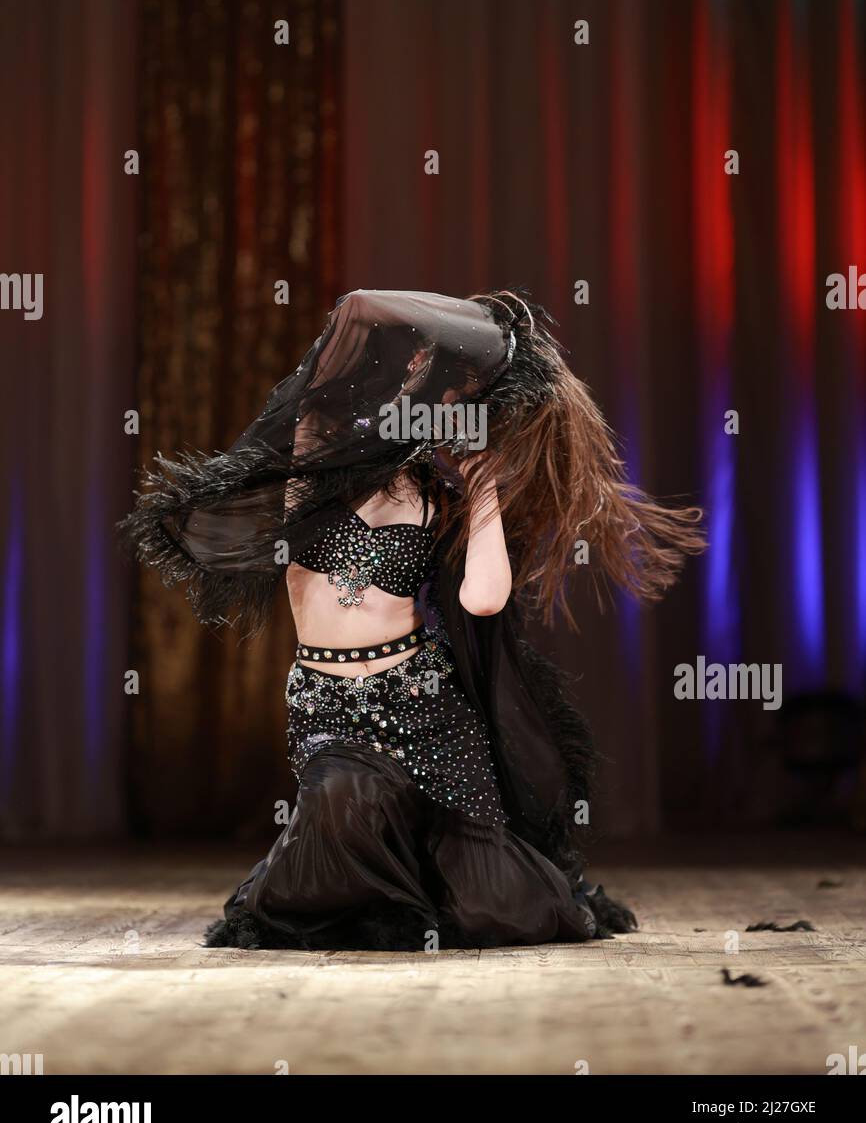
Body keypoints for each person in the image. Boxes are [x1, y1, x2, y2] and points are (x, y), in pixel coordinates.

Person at [120, 288, 705, 950]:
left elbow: (484, 600)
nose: (432, 407)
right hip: (330, 705)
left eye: (452, 400)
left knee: (499, 910)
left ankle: (461, 878)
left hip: (425, 707)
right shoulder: (313, 456)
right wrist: (482, 331)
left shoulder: (440, 495)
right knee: (344, 813)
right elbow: (361, 307)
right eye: (425, 386)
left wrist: (485, 490)